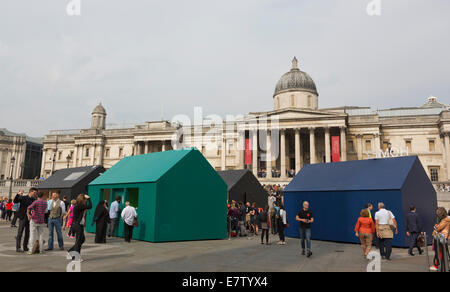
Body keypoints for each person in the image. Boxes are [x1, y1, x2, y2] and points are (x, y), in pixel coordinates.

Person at [67, 194, 92, 262]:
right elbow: (90, 206)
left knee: (82, 240)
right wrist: (89, 198)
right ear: (82, 200)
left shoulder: (78, 206)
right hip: (78, 226)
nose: (85, 201)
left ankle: (70, 251)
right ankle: (76, 257)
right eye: (85, 199)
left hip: (77, 225)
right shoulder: (80, 206)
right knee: (78, 241)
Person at [14, 188, 37, 253]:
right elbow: (15, 201)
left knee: (27, 233)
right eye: (34, 192)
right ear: (31, 192)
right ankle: (18, 247)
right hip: (23, 217)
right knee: (20, 232)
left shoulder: (34, 199)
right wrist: (18, 195)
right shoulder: (23, 198)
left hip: (30, 218)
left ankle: (25, 246)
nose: (35, 194)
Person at [430, 207, 450, 271]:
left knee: (440, 253)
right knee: (441, 253)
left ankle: (437, 266)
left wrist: (435, 227)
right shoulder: (446, 219)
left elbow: (438, 228)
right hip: (443, 238)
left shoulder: (445, 220)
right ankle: (439, 265)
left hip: (442, 238)